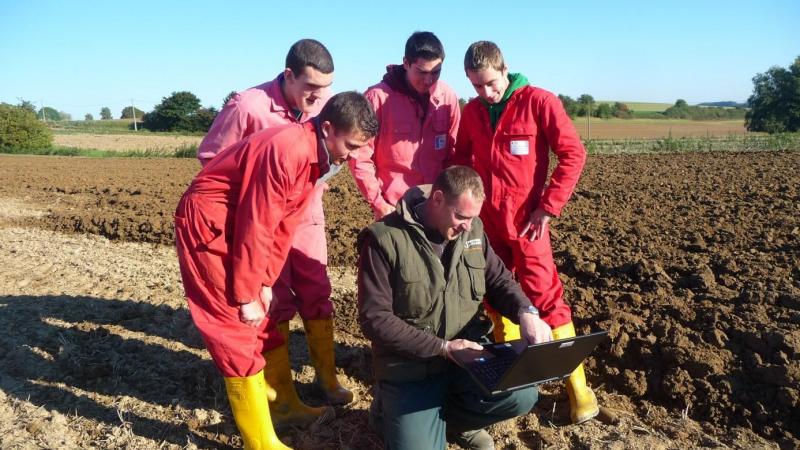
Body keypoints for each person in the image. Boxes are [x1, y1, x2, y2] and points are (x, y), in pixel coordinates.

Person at [176, 92, 378, 449]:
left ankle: (284, 406)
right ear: (327, 128)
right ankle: (261, 443)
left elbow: (285, 224)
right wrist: (245, 293)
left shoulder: (317, 156)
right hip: (209, 223)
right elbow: (258, 223)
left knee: (266, 318)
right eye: (350, 145)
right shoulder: (288, 150)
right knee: (234, 326)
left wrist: (267, 279)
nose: (352, 155)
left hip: (242, 223)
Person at [197, 39, 357, 428]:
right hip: (261, 219)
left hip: (307, 213)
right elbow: (211, 161)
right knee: (275, 301)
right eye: (312, 88)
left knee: (318, 290)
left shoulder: (322, 104)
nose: (319, 97)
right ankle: (282, 395)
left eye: (326, 88)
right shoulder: (248, 106)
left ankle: (326, 377)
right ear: (288, 76)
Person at [449, 41, 596, 424]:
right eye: (477, 86)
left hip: (528, 224)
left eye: (492, 84)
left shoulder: (539, 102)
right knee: (496, 298)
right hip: (489, 223)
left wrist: (548, 206)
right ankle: (513, 381)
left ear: (505, 69)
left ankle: (577, 390)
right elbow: (461, 161)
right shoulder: (473, 113)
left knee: (547, 297)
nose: (486, 93)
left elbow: (573, 153)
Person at [357, 166, 553, 450]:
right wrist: (444, 348)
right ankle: (387, 414)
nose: (466, 225)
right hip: (411, 368)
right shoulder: (384, 240)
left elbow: (498, 280)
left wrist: (526, 312)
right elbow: (374, 319)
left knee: (522, 395)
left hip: (468, 360)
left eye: (472, 217)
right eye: (460, 216)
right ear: (436, 199)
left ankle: (455, 423)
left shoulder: (472, 229)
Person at [349, 31, 460, 220]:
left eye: (436, 73)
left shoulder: (447, 97)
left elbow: (453, 154)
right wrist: (378, 203)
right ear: (406, 63)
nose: (429, 80)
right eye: (422, 72)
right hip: (394, 209)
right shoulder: (377, 98)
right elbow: (360, 157)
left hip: (436, 207)